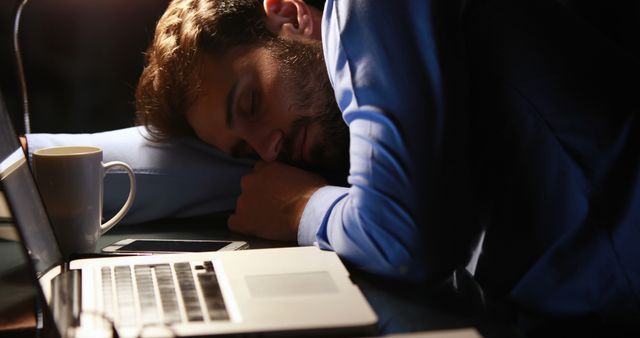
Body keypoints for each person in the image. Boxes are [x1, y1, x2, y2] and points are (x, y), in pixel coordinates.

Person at [23, 0, 640, 335]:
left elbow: (402, 237)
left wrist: (298, 206)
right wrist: (26, 159)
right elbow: (191, 166)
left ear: (287, 14)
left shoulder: (362, 11)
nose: (270, 151)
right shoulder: (318, 123)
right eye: (243, 150)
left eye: (251, 103)